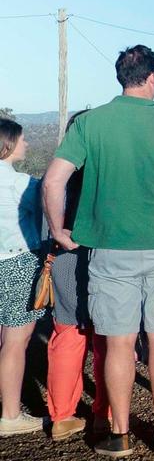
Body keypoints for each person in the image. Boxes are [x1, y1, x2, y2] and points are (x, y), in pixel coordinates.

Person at [43, 45, 154, 456]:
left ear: (122, 77)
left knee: (117, 343)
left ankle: (118, 434)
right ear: (152, 78)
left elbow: (52, 182)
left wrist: (58, 231)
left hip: (109, 250)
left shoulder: (91, 124)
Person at [44, 112, 108, 442]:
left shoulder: (59, 174)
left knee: (66, 339)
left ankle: (62, 416)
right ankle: (104, 413)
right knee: (107, 340)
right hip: (106, 258)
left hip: (66, 257)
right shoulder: (106, 173)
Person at [0, 120, 45, 437]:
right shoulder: (22, 185)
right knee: (16, 343)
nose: (26, 143)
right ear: (8, 144)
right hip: (19, 261)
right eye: (22, 139)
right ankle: (11, 415)